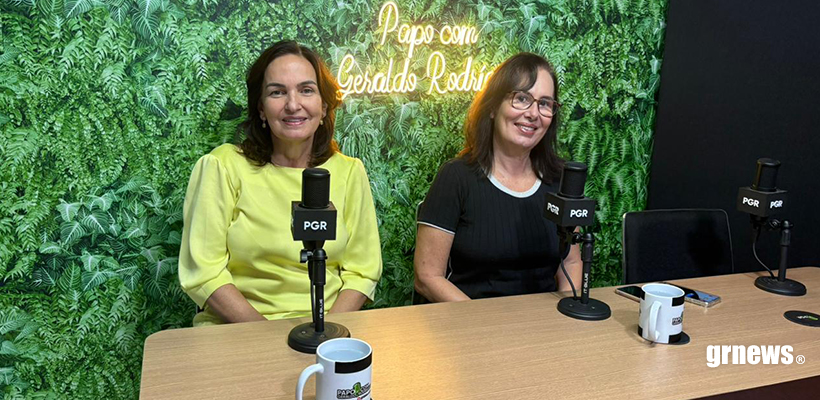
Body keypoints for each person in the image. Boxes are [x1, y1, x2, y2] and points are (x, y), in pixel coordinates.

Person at [179, 41, 382, 326]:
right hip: (238, 330)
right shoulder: (222, 166)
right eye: (277, 92)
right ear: (261, 109)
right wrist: (269, 337)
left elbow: (362, 272)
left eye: (306, 90)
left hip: (328, 329)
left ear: (324, 106)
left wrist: (325, 336)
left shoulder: (349, 172)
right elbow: (204, 272)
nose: (293, 105)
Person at [414, 53, 583, 302]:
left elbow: (571, 262)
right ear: (493, 107)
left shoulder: (559, 180)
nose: (533, 113)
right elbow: (427, 277)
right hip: (471, 319)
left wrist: (562, 316)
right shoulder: (456, 177)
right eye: (522, 98)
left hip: (543, 322)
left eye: (545, 104)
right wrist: (484, 321)